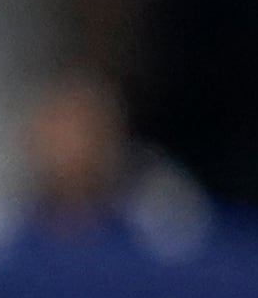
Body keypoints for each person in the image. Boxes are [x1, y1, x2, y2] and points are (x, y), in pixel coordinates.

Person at [20, 71, 209, 262]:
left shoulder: (160, 231)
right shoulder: (3, 239)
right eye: (57, 134)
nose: (69, 147)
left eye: (85, 131)